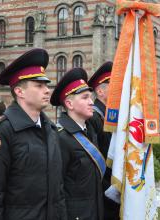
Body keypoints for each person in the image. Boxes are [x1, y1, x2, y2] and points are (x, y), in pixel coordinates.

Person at [0, 48, 66, 220]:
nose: (47, 90)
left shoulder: (51, 131)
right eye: (39, 85)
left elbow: (57, 192)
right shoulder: (0, 133)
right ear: (19, 91)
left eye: (46, 85)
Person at [51, 68, 104, 220]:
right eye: (85, 97)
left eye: (90, 97)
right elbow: (56, 189)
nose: (91, 102)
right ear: (69, 103)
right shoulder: (60, 138)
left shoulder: (89, 132)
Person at [88, 62, 120, 220]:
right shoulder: (94, 117)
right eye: (113, 85)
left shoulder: (111, 115)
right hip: (106, 190)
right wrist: (110, 189)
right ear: (100, 91)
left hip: (116, 185)